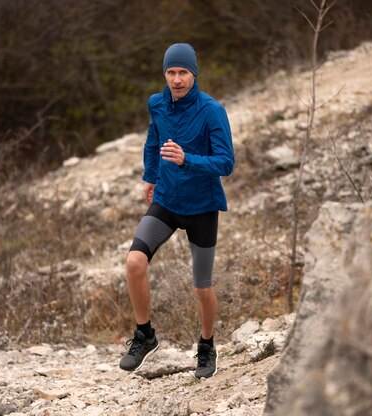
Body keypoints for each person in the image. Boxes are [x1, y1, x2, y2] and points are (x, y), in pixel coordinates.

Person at [118, 43, 234, 379]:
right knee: (134, 262)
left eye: (183, 72)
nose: (177, 79)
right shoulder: (157, 104)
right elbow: (153, 140)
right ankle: (145, 335)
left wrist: (188, 159)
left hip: (201, 206)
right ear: (165, 74)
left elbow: (226, 162)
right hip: (167, 200)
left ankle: (207, 345)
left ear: (194, 74)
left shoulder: (212, 111)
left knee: (202, 286)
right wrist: (150, 177)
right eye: (171, 72)